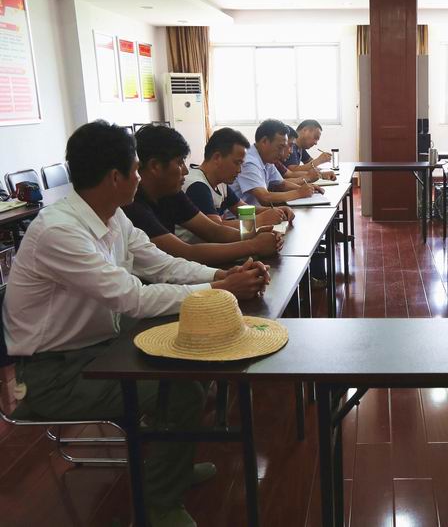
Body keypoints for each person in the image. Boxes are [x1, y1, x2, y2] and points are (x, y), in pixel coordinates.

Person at [2, 120, 269, 526]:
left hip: (99, 346)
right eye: (135, 170)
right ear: (116, 177)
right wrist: (220, 289)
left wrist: (219, 276)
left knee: (190, 366)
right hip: (53, 375)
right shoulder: (59, 232)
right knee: (181, 392)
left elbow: (162, 265)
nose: (140, 178)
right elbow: (132, 297)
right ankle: (159, 503)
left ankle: (172, 468)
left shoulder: (113, 218)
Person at [123, 125, 283, 265]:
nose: (185, 170)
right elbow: (186, 252)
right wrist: (254, 243)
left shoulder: (171, 193)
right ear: (155, 166)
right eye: (180, 162)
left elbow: (214, 230)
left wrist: (254, 234)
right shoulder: (134, 207)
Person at [178, 127, 294, 244]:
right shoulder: (198, 186)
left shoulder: (220, 182)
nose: (239, 170)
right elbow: (216, 229)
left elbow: (243, 208)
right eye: (237, 163)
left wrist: (277, 210)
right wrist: (260, 220)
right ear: (217, 157)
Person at [231, 119, 317, 206]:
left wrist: (306, 189)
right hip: (242, 214)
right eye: (280, 147)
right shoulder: (249, 162)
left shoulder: (266, 158)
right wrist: (299, 193)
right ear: (264, 141)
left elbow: (282, 184)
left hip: (258, 210)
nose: (282, 153)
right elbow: (264, 196)